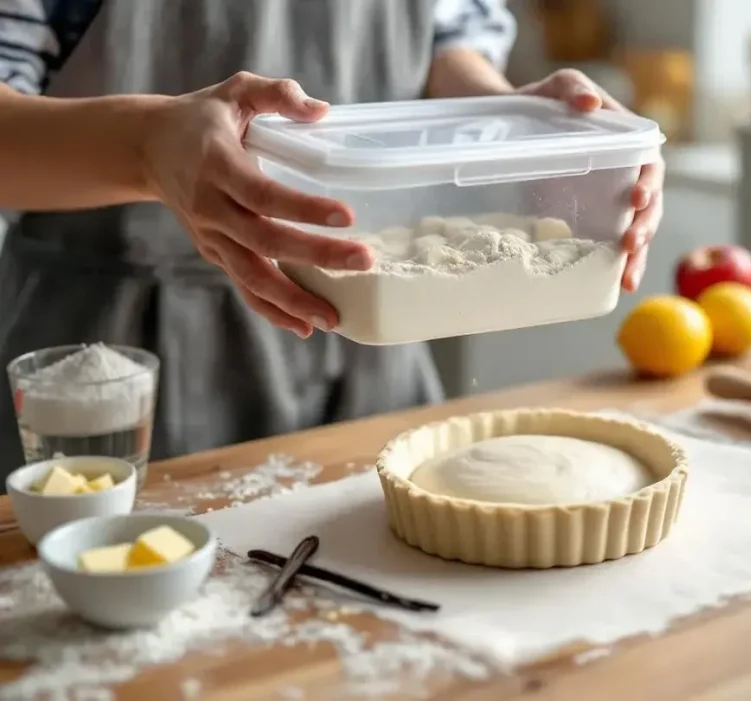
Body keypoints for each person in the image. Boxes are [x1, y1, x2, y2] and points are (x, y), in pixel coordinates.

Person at [0, 1, 664, 479]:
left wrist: (525, 126)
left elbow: (441, 46)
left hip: (369, 322)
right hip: (117, 362)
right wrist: (146, 147)